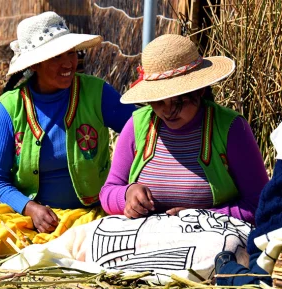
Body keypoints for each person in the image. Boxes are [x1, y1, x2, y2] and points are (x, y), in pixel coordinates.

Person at [0, 11, 136, 234]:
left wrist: (127, 185)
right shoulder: (8, 109)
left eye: (71, 53)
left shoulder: (96, 93)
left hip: (94, 216)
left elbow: (141, 131)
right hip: (33, 223)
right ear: (35, 65)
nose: (68, 63)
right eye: (56, 57)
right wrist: (29, 208)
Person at [99, 34, 268, 225]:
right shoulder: (138, 125)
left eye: (179, 100)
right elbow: (107, 192)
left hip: (211, 239)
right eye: (158, 101)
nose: (168, 110)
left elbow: (260, 204)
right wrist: (127, 195)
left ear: (200, 90)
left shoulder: (231, 129)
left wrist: (203, 217)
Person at [214, 122, 282, 287]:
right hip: (273, 243)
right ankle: (227, 270)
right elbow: (274, 207)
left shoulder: (229, 125)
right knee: (260, 286)